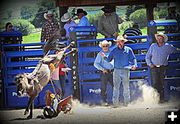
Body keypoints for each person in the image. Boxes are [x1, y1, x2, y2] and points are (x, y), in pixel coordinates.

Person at [101, 36, 137, 107]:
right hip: (117, 70)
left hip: (125, 70)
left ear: (123, 42)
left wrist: (134, 65)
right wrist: (104, 57)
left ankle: (126, 103)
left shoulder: (128, 50)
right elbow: (109, 59)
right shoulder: (114, 50)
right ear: (117, 42)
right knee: (116, 87)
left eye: (121, 41)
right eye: (118, 42)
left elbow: (133, 58)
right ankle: (115, 103)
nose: (120, 43)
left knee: (126, 87)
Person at [145, 33, 179, 103]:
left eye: (161, 38)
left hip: (163, 67)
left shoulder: (168, 46)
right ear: (156, 39)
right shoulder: (153, 46)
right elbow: (147, 56)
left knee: (162, 83)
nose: (159, 40)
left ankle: (161, 99)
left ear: (163, 39)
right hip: (154, 67)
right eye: (158, 38)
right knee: (155, 83)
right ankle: (155, 99)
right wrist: (149, 64)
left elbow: (176, 50)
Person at [94, 40, 114, 105]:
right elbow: (96, 64)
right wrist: (102, 69)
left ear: (108, 46)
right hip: (104, 72)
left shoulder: (111, 52)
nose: (105, 47)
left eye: (106, 46)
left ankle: (116, 100)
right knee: (103, 87)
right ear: (102, 47)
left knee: (115, 86)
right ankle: (104, 101)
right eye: (104, 46)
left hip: (112, 72)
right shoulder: (100, 54)